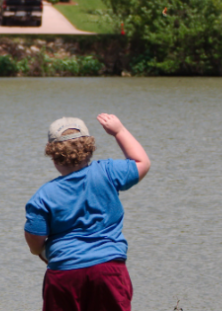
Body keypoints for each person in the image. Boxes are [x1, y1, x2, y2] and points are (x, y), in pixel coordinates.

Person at [24, 114, 150, 311]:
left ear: (53, 155)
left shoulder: (42, 197)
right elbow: (142, 163)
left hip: (64, 273)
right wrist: (119, 131)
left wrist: (40, 250)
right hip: (108, 269)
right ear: (89, 150)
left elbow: (35, 238)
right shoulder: (108, 172)